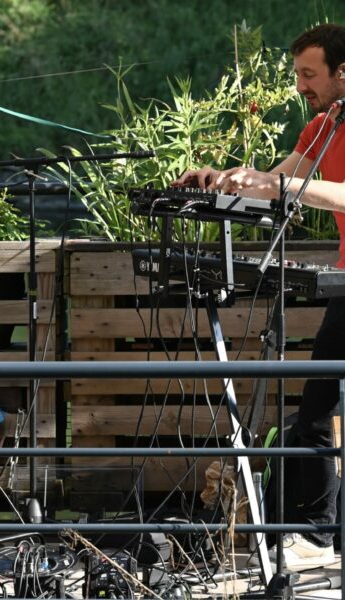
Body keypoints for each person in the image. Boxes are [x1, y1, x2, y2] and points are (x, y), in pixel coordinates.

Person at [173, 23, 345, 570]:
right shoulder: (322, 128)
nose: (300, 86)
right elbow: (277, 182)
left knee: (319, 411)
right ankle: (317, 538)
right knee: (316, 412)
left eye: (309, 74)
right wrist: (225, 181)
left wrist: (279, 187)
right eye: (297, 74)